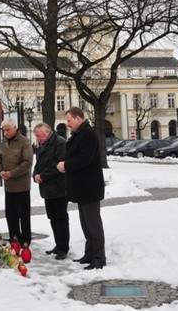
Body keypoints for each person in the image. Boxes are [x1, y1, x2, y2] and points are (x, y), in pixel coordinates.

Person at [57, 106, 106, 270]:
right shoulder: (80, 134)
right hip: (82, 188)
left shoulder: (89, 134)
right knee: (86, 224)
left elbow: (84, 159)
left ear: (78, 118)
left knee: (93, 225)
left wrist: (66, 165)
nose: (68, 124)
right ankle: (89, 254)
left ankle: (99, 258)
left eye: (69, 120)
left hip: (89, 187)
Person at [32, 122, 70, 260]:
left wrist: (42, 176)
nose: (37, 138)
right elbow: (38, 163)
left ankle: (63, 248)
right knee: (52, 218)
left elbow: (58, 164)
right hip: (47, 188)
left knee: (61, 218)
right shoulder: (43, 144)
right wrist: (35, 175)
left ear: (47, 133)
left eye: (38, 135)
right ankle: (58, 244)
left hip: (59, 187)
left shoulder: (60, 143)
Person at [0, 117, 33, 246]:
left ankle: (26, 239)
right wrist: (0, 171)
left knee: (23, 215)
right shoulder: (4, 142)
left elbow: (27, 163)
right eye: (3, 130)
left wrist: (12, 173)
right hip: (9, 186)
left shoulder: (25, 142)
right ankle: (14, 238)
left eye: (7, 130)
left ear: (15, 128)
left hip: (21, 186)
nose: (5, 132)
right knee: (10, 215)